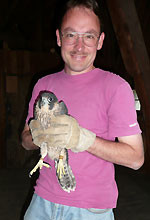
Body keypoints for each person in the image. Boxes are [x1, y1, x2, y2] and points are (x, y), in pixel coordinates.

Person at [21, 0, 144, 219]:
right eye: (71, 35)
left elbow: (135, 159)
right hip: (41, 200)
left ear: (100, 41)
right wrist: (37, 138)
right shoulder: (43, 85)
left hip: (89, 209)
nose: (79, 46)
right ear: (59, 38)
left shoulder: (116, 87)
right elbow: (24, 140)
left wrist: (83, 140)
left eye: (88, 36)